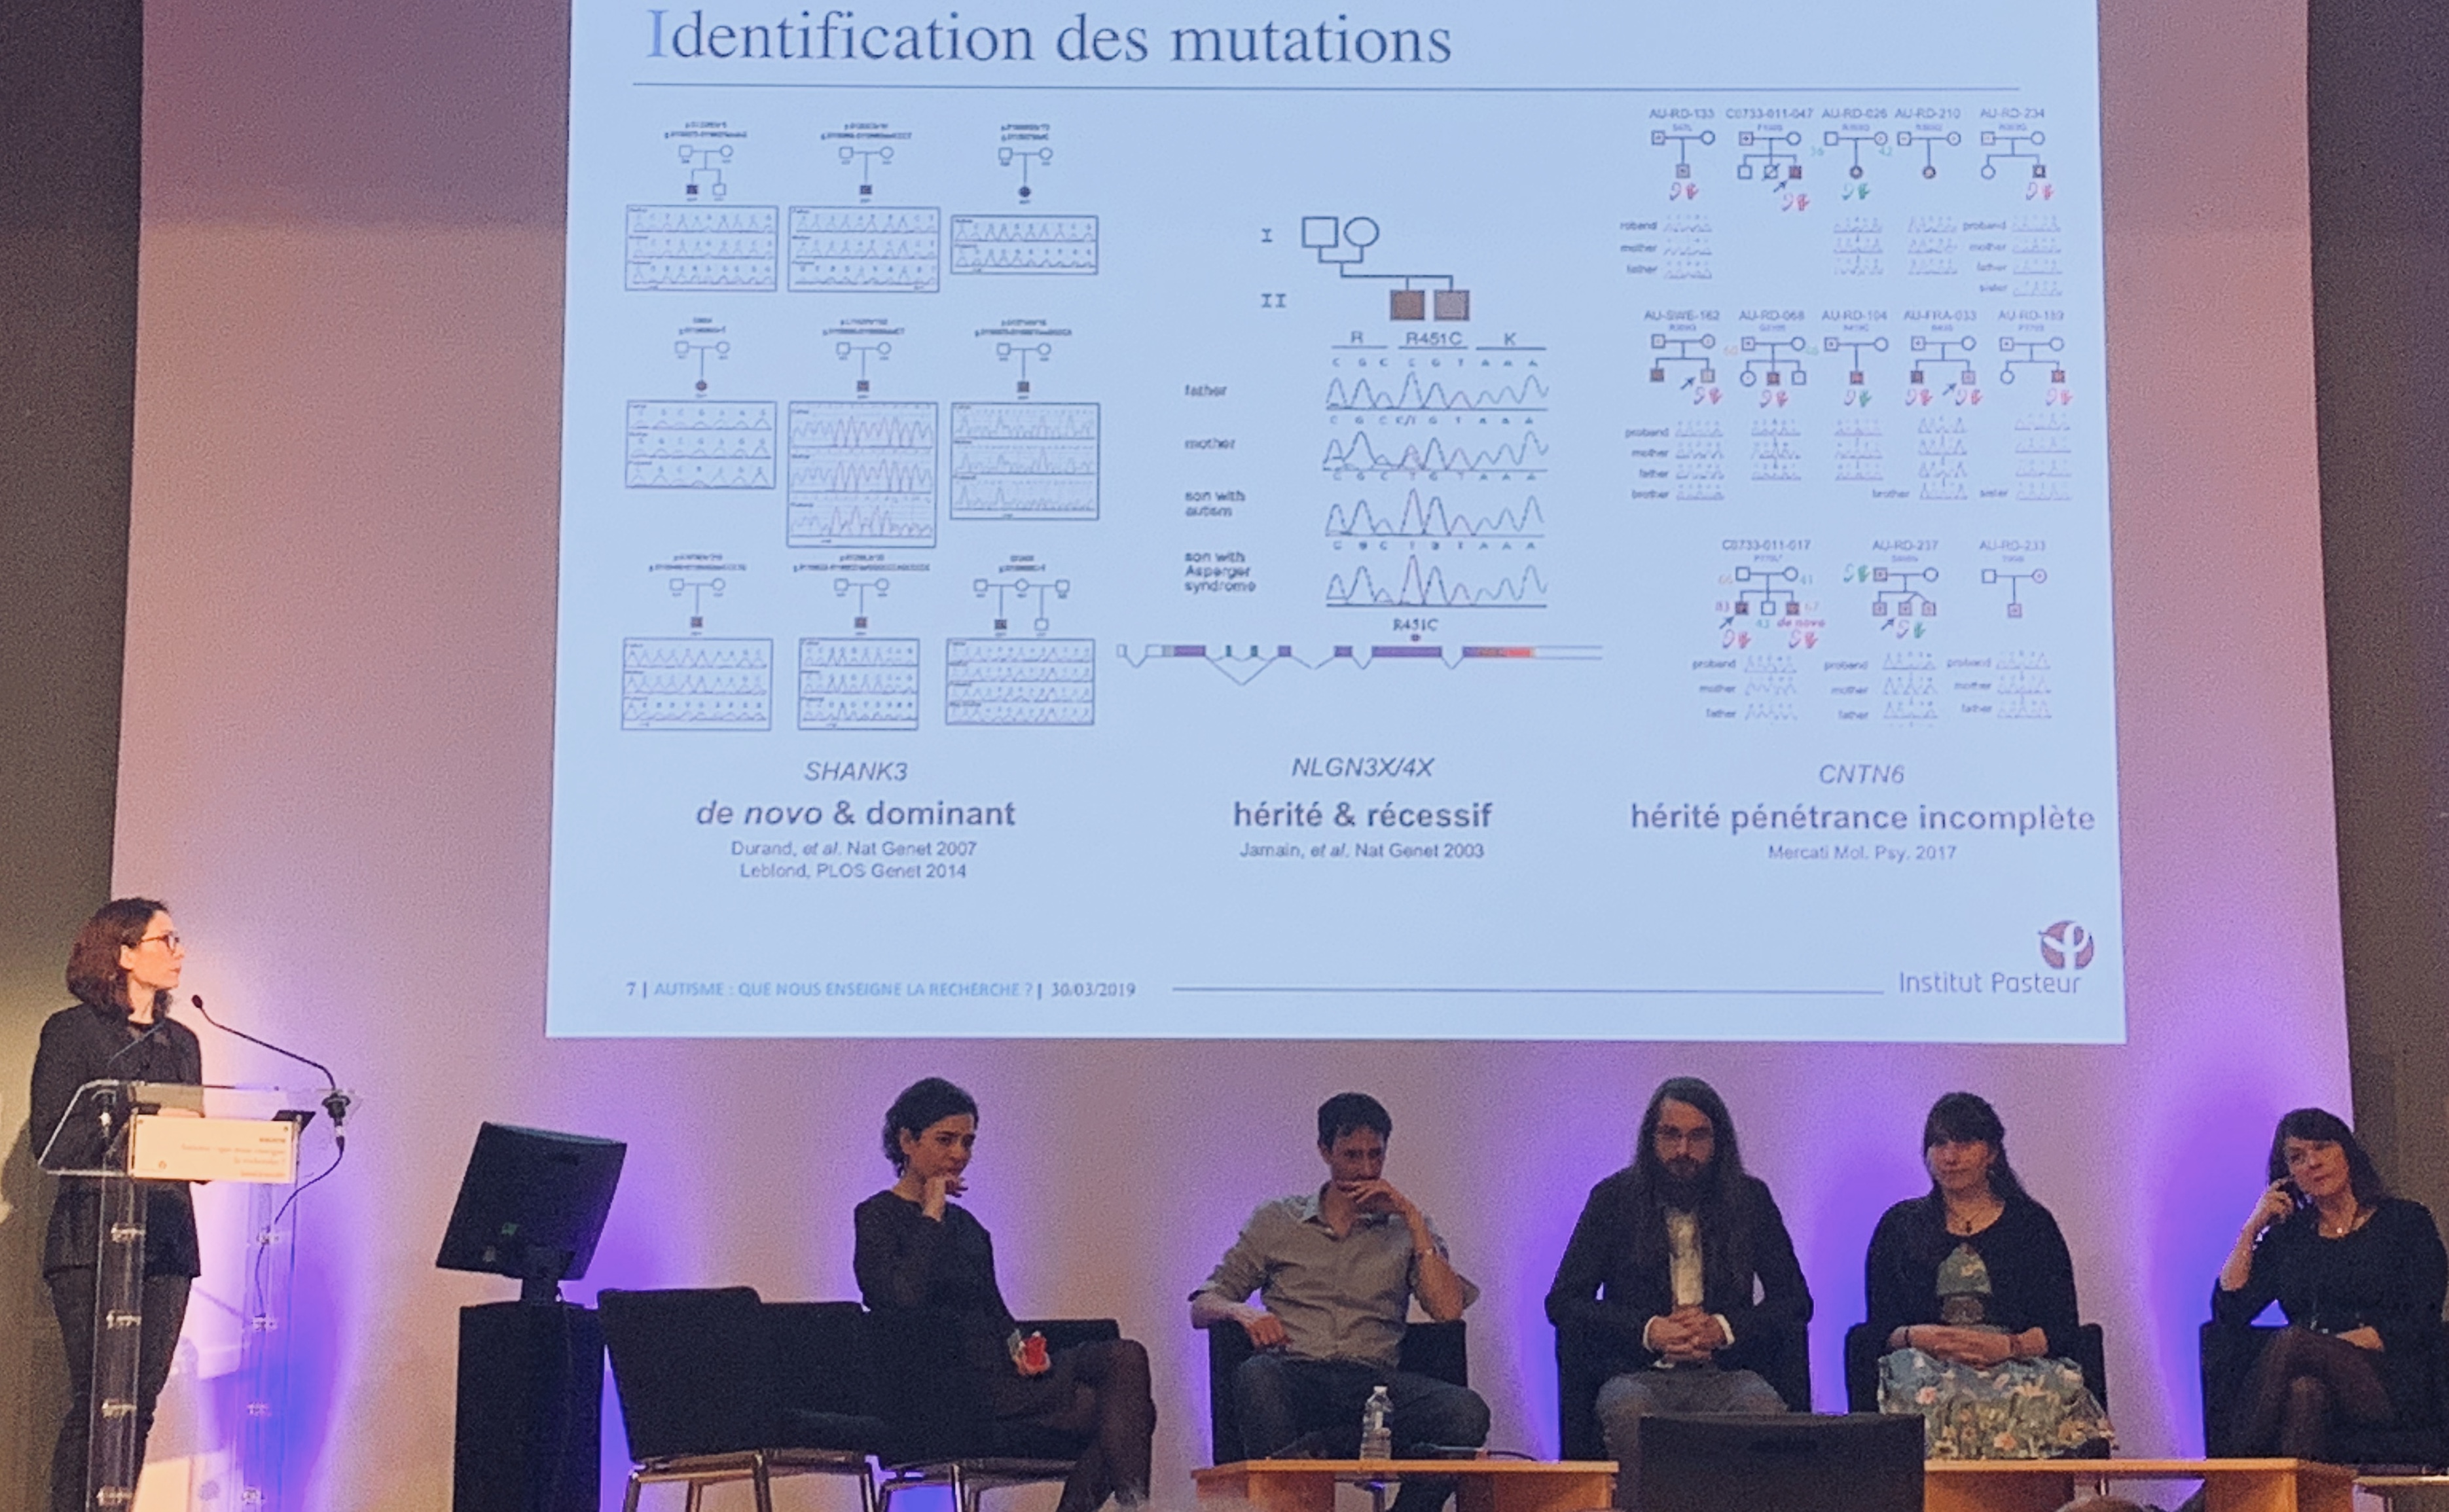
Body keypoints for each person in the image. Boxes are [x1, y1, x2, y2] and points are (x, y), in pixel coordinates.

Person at [854, 1077, 1153, 1512]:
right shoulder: (876, 1216)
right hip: (944, 1386)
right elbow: (902, 1299)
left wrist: (1022, 1350)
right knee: (1126, 1416)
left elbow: (996, 1313)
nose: (959, 1154)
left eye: (968, 1142)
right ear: (907, 1142)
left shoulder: (968, 1227)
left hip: (998, 1376)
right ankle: (1137, 1507)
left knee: (1126, 1365)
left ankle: (1136, 1507)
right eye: (945, 1140)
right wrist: (931, 1213)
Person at [1190, 1092, 1489, 1512]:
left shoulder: (1406, 1228)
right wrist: (1242, 1312)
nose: (1365, 1170)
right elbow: (1203, 1305)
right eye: (1352, 1156)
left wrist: (1412, 1218)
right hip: (1297, 1373)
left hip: (1373, 1385)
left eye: (1375, 1155)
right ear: (1325, 1151)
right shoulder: (1278, 1220)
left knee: (1467, 1412)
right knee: (1257, 1375)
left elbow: (1448, 1310)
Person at [1545, 1076, 1809, 1487]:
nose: (1683, 1151)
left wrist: (1722, 1329)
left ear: (1718, 1143)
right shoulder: (1613, 1200)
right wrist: (1650, 1330)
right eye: (1671, 1135)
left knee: (1760, 1406)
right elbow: (1564, 1302)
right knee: (1631, 1410)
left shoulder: (1750, 1200)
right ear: (1651, 1139)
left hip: (1726, 1372)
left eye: (1697, 1137)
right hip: (1637, 1372)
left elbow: (1795, 1301)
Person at [29, 897, 204, 1512]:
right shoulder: (71, 1032)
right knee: (99, 1400)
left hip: (166, 1241)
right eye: (166, 940)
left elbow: (190, 1139)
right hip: (92, 1239)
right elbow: (53, 1140)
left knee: (140, 1404)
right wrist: (133, 1117)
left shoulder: (181, 1041)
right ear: (124, 953)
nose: (179, 952)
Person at [1864, 1092, 2113, 1459]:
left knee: (2037, 1393)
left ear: (1992, 1152)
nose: (1950, 1157)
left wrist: (2008, 1347)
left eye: (1964, 1144)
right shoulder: (1900, 1226)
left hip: (2014, 1361)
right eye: (1939, 1144)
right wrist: (1923, 1337)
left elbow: (2062, 1327)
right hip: (1927, 1361)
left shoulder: (2032, 1224)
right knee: (1926, 1393)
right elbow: (1878, 1329)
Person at [2211, 1106, 2447, 1459]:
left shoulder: (2405, 1222)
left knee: (2294, 1342)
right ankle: (2269, 1487)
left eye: (2322, 1148)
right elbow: (2230, 1311)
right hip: (2311, 1372)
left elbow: (2421, 1316)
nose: (2313, 1163)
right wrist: (2252, 1229)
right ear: (2288, 1176)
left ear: (2346, 1152)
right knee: (2305, 1392)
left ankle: (2229, 1476)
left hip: (2392, 1377)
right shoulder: (2290, 1239)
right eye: (2297, 1157)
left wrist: (2330, 1346)